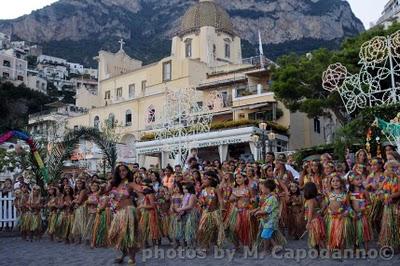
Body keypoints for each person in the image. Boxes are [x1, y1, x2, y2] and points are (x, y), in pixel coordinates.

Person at [107, 164, 143, 265]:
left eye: (124, 170)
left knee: (130, 234)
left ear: (128, 172)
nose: (122, 172)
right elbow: (105, 192)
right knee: (120, 236)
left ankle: (132, 258)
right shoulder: (115, 185)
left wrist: (140, 204)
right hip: (118, 213)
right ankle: (123, 254)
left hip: (128, 212)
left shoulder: (130, 184)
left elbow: (140, 192)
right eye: (119, 171)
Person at [253, 179, 286, 254]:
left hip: (270, 221)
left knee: (265, 235)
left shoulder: (272, 198)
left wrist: (258, 212)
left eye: (262, 188)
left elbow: (266, 210)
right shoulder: (269, 197)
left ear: (267, 189)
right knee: (268, 235)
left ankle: (266, 250)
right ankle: (276, 247)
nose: (261, 189)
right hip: (267, 221)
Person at [226, 172, 255, 249]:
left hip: (246, 211)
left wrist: (251, 200)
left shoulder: (249, 188)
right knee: (234, 228)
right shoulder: (234, 189)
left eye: (240, 177)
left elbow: (253, 198)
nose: (238, 179)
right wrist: (235, 198)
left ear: (244, 178)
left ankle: (249, 244)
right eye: (236, 178)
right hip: (236, 211)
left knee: (246, 228)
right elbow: (230, 199)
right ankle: (236, 244)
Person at [197, 171, 225, 249]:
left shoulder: (215, 189)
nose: (203, 180)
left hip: (214, 212)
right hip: (205, 213)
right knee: (202, 229)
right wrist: (201, 203)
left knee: (217, 229)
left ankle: (218, 244)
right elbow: (200, 201)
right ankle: (205, 245)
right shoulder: (203, 191)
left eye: (206, 179)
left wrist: (222, 208)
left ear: (211, 180)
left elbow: (220, 199)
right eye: (203, 179)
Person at [348, 172, 372, 251]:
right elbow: (348, 205)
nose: (359, 181)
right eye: (357, 179)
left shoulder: (364, 191)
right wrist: (352, 213)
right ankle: (356, 248)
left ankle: (366, 249)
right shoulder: (349, 193)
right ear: (351, 181)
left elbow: (369, 202)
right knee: (354, 232)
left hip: (362, 215)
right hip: (354, 216)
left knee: (365, 231)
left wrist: (364, 208)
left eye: (360, 179)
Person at [176, 182, 199, 248]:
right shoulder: (185, 195)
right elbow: (183, 203)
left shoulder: (192, 195)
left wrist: (180, 209)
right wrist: (180, 211)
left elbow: (190, 206)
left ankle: (194, 244)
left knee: (192, 229)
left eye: (185, 189)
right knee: (185, 229)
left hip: (191, 214)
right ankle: (188, 244)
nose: (183, 190)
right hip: (184, 214)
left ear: (189, 189)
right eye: (183, 189)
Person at [138, 179, 160, 248]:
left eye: (143, 185)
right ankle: (146, 242)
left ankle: (154, 243)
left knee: (151, 227)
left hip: (150, 213)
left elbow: (152, 206)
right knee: (143, 227)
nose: (142, 186)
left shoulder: (150, 195)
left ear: (148, 186)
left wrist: (142, 206)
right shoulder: (146, 194)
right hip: (145, 213)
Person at [304, 182, 325, 251]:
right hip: (318, 219)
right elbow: (322, 207)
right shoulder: (316, 199)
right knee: (317, 236)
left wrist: (308, 222)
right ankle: (318, 249)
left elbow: (310, 212)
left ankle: (324, 250)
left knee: (317, 236)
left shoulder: (310, 201)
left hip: (314, 221)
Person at [71, 178, 88, 244]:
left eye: (80, 183)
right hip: (78, 209)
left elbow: (79, 201)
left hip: (82, 208)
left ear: (83, 184)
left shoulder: (83, 191)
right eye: (77, 183)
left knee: (82, 223)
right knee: (78, 224)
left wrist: (73, 201)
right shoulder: (78, 191)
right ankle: (79, 240)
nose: (78, 185)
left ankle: (86, 240)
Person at [84, 181, 100, 247]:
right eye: (92, 185)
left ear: (98, 187)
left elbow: (99, 203)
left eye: (95, 185)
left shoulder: (98, 194)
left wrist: (91, 202)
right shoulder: (90, 194)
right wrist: (87, 202)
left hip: (95, 213)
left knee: (94, 227)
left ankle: (94, 241)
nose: (93, 187)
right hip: (89, 212)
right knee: (89, 226)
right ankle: (89, 239)